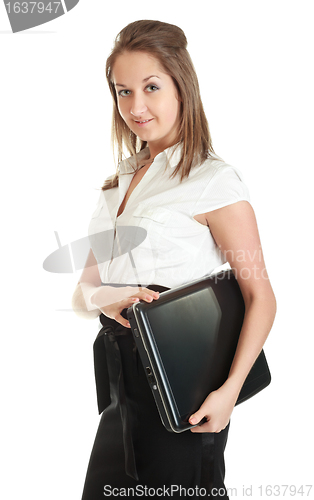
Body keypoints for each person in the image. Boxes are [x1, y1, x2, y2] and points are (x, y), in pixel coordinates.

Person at [72, 20, 276, 499]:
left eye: (151, 87)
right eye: (123, 91)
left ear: (182, 86)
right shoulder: (116, 183)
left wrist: (228, 394)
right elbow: (87, 284)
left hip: (186, 386)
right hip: (122, 385)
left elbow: (259, 295)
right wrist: (110, 301)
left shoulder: (213, 180)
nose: (135, 107)